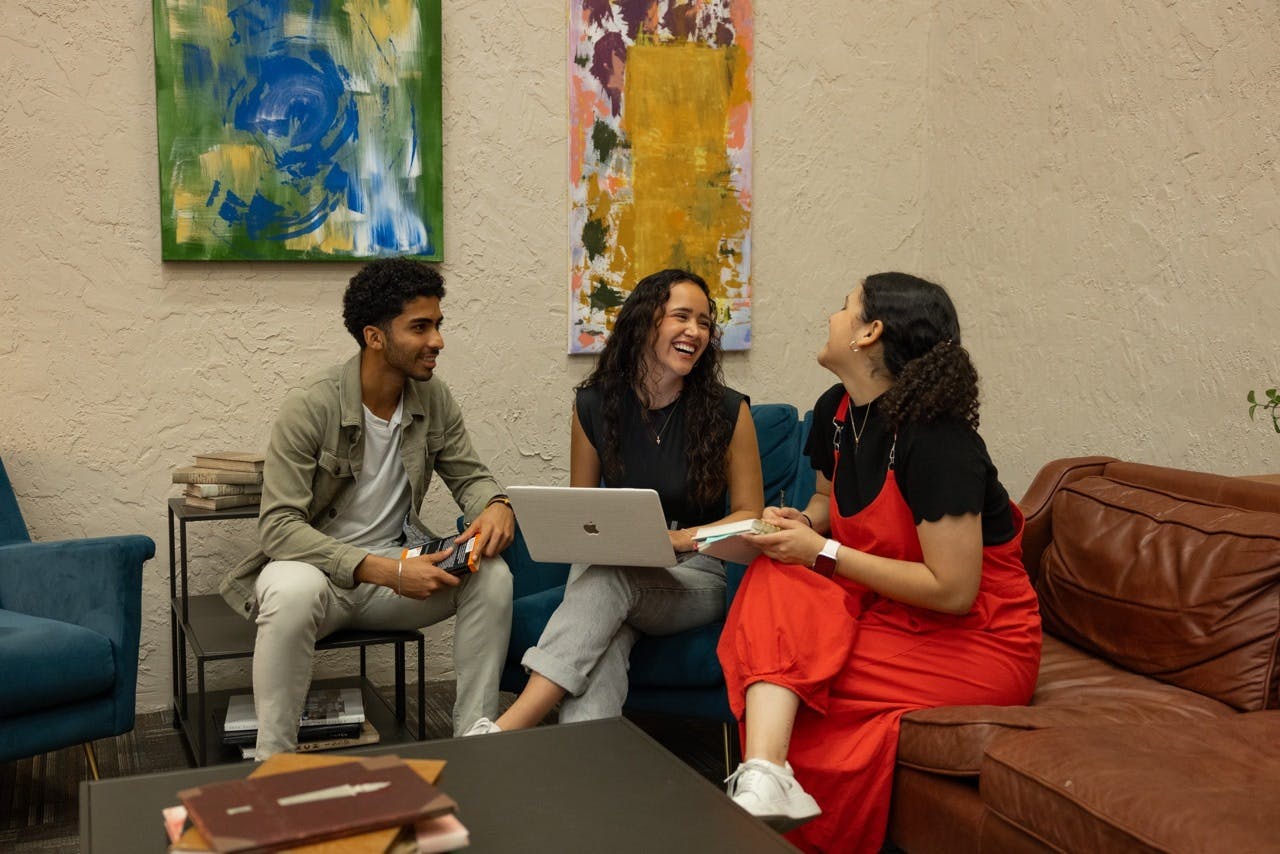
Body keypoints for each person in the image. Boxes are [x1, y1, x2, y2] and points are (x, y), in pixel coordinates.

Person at [717, 273, 1042, 853]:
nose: (831, 317)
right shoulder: (836, 410)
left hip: (974, 637)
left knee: (794, 677)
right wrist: (803, 524)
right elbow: (826, 499)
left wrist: (823, 552)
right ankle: (766, 775)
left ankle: (781, 804)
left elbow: (953, 591)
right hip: (886, 608)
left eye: (844, 307)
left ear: (869, 333)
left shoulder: (938, 441)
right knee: (776, 574)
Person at [220, 258, 515, 758]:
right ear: (374, 337)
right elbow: (278, 528)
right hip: (317, 574)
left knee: (493, 576)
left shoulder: (433, 398)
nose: (438, 340)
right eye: (420, 327)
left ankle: (475, 745)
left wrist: (496, 504)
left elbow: (471, 477)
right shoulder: (311, 405)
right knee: (290, 591)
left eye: (438, 324)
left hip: (394, 576)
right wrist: (386, 571)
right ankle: (275, 763)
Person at [465, 268, 764, 733]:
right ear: (646, 322)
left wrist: (680, 539)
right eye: (682, 316)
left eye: (705, 322)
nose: (696, 331)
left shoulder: (728, 410)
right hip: (612, 567)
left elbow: (751, 516)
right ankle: (590, 765)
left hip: (698, 574)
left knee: (609, 578)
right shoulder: (594, 406)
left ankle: (507, 729)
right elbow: (582, 514)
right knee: (605, 634)